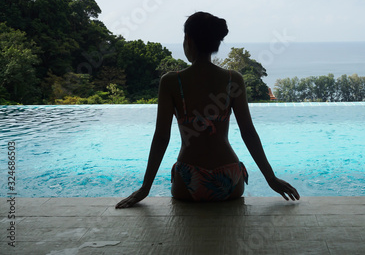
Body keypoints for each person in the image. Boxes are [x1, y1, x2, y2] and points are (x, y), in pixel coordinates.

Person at [115, 12, 299, 207]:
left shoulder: (170, 82)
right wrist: (271, 179)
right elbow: (248, 133)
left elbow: (161, 137)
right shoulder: (233, 79)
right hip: (230, 179)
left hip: (188, 180)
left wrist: (145, 188)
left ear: (188, 40)